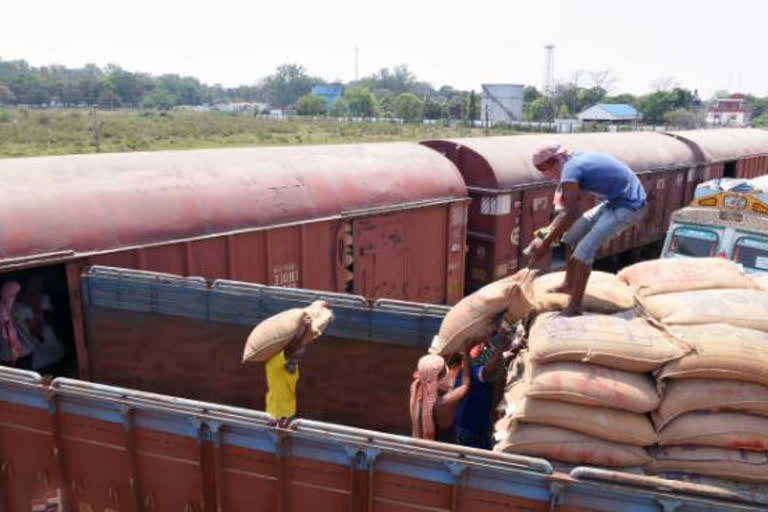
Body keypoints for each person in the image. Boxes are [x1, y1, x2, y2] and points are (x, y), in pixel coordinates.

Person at [525, 144, 647, 316]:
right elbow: (568, 208)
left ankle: (575, 306)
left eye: (543, 168)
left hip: (629, 206)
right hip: (612, 201)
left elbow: (573, 213)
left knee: (583, 252)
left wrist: (545, 245)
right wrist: (546, 234)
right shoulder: (571, 164)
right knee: (570, 237)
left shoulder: (571, 170)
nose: (543, 173)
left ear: (554, 161)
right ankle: (569, 284)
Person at [453, 318, 515, 449]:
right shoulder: (474, 372)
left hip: (477, 424)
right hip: (470, 428)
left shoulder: (466, 369)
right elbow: (487, 371)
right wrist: (499, 350)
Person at [409, 348, 471, 442]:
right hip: (440, 442)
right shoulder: (440, 402)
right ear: (437, 377)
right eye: (444, 370)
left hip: (421, 439)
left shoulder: (417, 386)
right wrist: (466, 353)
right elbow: (465, 386)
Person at [265, 314, 313, 428]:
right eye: (296, 356)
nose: (298, 358)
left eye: (300, 357)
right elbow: (291, 348)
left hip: (290, 413)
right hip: (275, 414)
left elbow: (296, 348)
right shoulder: (274, 363)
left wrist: (305, 330)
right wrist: (302, 329)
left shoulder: (293, 366)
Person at [0, 281, 35, 370]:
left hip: (4, 354)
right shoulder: (23, 309)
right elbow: (34, 328)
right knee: (26, 378)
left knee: (10, 380)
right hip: (24, 351)